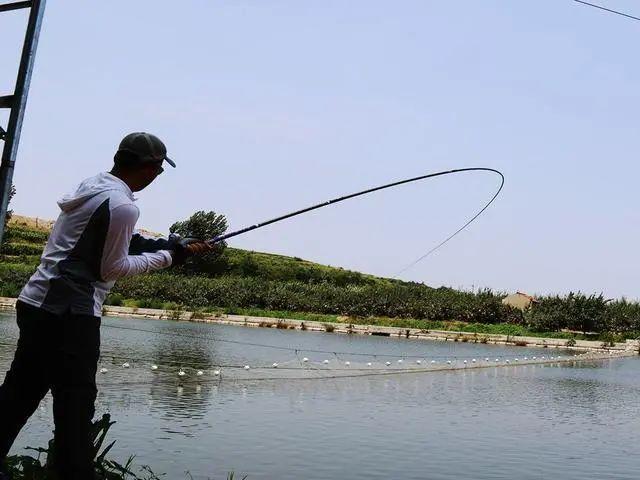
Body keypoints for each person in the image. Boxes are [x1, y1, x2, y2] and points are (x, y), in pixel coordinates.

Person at [0, 132, 211, 479]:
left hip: (36, 303)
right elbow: (112, 268)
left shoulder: (96, 186)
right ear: (148, 168)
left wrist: (170, 243)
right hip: (69, 315)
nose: (158, 176)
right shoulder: (124, 206)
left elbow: (116, 238)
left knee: (19, 393)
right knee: (75, 405)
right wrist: (169, 257)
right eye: (158, 169)